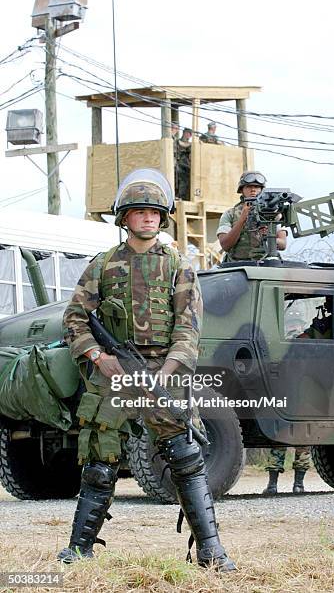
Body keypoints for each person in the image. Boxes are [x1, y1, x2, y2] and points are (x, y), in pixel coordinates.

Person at [58, 168, 235, 572]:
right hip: (115, 372)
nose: (148, 218)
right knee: (100, 461)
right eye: (139, 212)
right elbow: (74, 319)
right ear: (125, 219)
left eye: (155, 212)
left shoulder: (179, 265)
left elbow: (189, 327)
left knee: (186, 458)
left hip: (163, 372)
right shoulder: (103, 265)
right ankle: (79, 550)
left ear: (164, 217)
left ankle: (211, 550)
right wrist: (98, 358)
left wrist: (168, 370)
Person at [216, 171, 288, 262]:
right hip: (237, 266)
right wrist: (242, 220)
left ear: (262, 189)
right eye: (249, 186)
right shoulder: (230, 214)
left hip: (265, 264)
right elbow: (225, 245)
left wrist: (268, 237)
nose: (253, 189)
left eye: (257, 187)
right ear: (242, 190)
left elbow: (283, 244)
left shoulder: (272, 213)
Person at [176, 128, 192, 200]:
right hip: (180, 164)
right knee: (182, 181)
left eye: (190, 134)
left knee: (185, 182)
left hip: (186, 165)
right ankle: (180, 196)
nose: (188, 135)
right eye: (187, 133)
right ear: (184, 133)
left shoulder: (190, 144)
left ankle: (183, 196)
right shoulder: (178, 142)